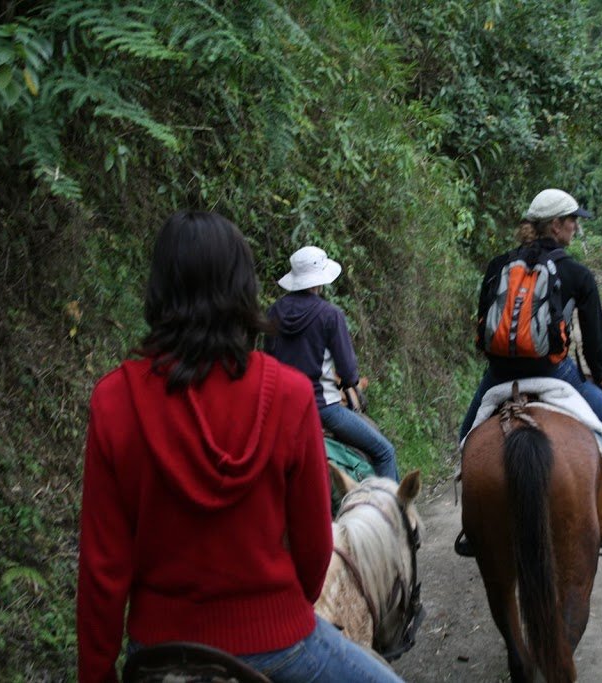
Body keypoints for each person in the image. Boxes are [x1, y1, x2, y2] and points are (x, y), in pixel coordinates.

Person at [76, 211, 403, 683]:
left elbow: (102, 569)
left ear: (158, 292)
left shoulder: (113, 400)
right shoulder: (290, 396)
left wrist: (96, 672)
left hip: (160, 648)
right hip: (277, 643)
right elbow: (314, 553)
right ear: (241, 291)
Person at [457, 188, 602, 556]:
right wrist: (598, 377)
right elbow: (594, 341)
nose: (575, 227)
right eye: (572, 221)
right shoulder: (577, 274)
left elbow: (484, 324)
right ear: (556, 225)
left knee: (467, 436)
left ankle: (472, 527)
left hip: (500, 375)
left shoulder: (497, 265)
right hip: (555, 375)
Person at [265, 246, 400, 482]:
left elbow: (268, 362)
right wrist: (348, 380)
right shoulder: (330, 314)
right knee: (385, 452)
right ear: (320, 280)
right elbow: (348, 375)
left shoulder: (273, 312)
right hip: (323, 409)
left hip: (282, 410)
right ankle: (393, 515)